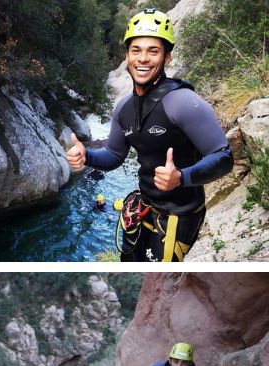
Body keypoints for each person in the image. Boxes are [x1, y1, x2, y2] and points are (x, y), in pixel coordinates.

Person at [65, 9, 233, 261]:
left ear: (167, 57)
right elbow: (113, 155)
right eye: (136, 50)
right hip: (144, 208)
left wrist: (182, 177)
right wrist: (85, 155)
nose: (143, 59)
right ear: (127, 56)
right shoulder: (124, 108)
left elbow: (224, 157)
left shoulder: (183, 102)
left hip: (179, 215)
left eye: (153, 51)